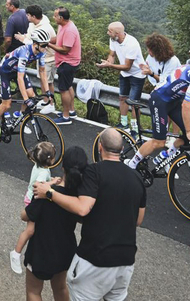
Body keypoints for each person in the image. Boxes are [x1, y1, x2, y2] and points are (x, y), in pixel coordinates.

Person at [33, 129, 146, 301]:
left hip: (95, 259)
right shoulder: (136, 177)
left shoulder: (94, 172)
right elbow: (138, 220)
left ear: (100, 147)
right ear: (122, 149)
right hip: (125, 261)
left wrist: (49, 192)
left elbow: (82, 208)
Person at [22, 147, 88, 301]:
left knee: (34, 291)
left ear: (63, 167)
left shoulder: (45, 193)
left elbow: (25, 215)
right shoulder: (78, 198)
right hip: (65, 250)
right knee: (60, 288)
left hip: (40, 250)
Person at [11, 141, 55, 274]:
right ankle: (16, 253)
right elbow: (38, 185)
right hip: (33, 201)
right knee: (30, 230)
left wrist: (51, 180)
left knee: (34, 229)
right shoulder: (43, 172)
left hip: (30, 198)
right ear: (50, 160)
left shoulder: (39, 166)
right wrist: (52, 182)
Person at [97, 22, 146, 135]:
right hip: (124, 73)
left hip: (137, 74)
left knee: (134, 103)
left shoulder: (132, 43)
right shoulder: (113, 39)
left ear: (117, 33)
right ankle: (124, 123)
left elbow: (128, 67)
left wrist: (110, 65)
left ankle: (135, 128)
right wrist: (108, 62)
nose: (107, 33)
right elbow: (112, 55)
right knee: (122, 98)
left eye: (110, 31)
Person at [0, 27, 50, 124]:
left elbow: (42, 72)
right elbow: (20, 78)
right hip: (5, 71)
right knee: (6, 104)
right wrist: (26, 99)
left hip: (17, 70)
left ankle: (18, 117)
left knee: (32, 96)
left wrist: (48, 91)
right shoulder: (25, 53)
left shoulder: (41, 52)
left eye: (47, 44)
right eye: (44, 45)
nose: (46, 47)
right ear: (36, 44)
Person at [18, 6, 56, 112]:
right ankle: (45, 101)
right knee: (42, 80)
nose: (27, 17)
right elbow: (31, 38)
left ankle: (51, 104)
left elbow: (37, 43)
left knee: (48, 82)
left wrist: (23, 40)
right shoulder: (32, 24)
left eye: (28, 15)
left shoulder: (45, 27)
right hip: (40, 56)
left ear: (33, 16)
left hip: (48, 58)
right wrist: (24, 37)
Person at [47, 8, 81, 125]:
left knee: (63, 89)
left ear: (61, 18)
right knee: (68, 86)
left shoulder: (69, 30)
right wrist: (46, 40)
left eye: (55, 16)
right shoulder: (62, 26)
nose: (53, 17)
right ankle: (71, 111)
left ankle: (66, 117)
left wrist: (48, 45)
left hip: (68, 63)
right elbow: (59, 39)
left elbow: (65, 49)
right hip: (66, 62)